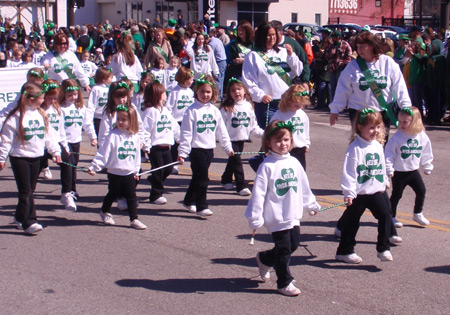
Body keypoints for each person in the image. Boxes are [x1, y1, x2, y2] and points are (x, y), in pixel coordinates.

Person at [245, 120, 320, 296]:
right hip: (276, 215)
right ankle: (283, 281)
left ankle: (264, 259)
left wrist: (310, 204)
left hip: (292, 212)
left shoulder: (294, 162)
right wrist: (255, 217)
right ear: (268, 143)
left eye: (286, 139)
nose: (283, 144)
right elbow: (258, 194)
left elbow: (303, 185)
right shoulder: (267, 166)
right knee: (285, 247)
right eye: (278, 140)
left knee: (293, 244)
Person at [335, 109, 399, 264]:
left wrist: (384, 180)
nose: (375, 131)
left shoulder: (377, 145)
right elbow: (349, 172)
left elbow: (381, 164)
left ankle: (383, 248)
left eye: (378, 127)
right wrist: (349, 192)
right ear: (359, 127)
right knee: (352, 221)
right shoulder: (355, 149)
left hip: (376, 191)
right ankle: (345, 250)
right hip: (359, 193)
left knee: (385, 215)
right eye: (371, 128)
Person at [0, 82, 62, 234]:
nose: (43, 100)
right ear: (30, 99)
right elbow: (6, 140)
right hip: (20, 157)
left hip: (37, 157)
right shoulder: (15, 117)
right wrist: (2, 158)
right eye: (41, 98)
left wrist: (55, 152)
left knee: (30, 190)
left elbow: (49, 136)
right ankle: (30, 221)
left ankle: (19, 216)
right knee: (25, 190)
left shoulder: (41, 114)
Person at [329, 31, 411, 133]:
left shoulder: (387, 63)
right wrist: (335, 109)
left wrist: (406, 106)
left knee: (381, 146)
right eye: (358, 47)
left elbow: (399, 86)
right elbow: (343, 89)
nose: (359, 50)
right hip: (359, 113)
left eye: (363, 46)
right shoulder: (352, 66)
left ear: (372, 46)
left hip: (382, 112)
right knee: (360, 146)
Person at [177, 74, 234, 216]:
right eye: (202, 91)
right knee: (203, 178)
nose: (205, 95)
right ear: (196, 92)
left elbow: (222, 131)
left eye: (208, 92)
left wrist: (228, 147)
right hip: (196, 150)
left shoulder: (215, 111)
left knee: (197, 177)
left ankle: (188, 200)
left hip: (209, 150)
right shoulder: (191, 111)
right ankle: (201, 206)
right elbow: (186, 134)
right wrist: (183, 152)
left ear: (213, 93)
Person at [88, 105, 147, 230]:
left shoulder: (135, 137)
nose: (120, 122)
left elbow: (137, 156)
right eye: (118, 119)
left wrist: (136, 170)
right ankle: (105, 212)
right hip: (115, 171)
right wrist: (95, 166)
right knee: (113, 193)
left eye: (123, 120)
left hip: (129, 172)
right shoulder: (113, 135)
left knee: (131, 196)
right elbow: (103, 152)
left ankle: (134, 219)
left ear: (132, 121)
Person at [242, 21, 303, 130]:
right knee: (273, 136)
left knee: (285, 137)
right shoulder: (253, 56)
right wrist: (260, 95)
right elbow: (249, 81)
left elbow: (297, 71)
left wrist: (291, 56)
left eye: (273, 35)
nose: (271, 38)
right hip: (267, 106)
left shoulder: (283, 52)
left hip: (287, 103)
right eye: (268, 35)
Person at [385, 107, 433, 227]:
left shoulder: (421, 135)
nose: (401, 124)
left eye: (405, 122)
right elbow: (388, 154)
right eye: (400, 121)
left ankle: (418, 213)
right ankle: (392, 216)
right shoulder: (397, 137)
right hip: (399, 172)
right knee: (397, 195)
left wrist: (427, 165)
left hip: (413, 171)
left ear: (415, 121)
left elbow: (426, 151)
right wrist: (389, 169)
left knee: (421, 191)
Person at [219, 78, 264, 196]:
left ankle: (226, 179)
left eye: (239, 89)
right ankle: (240, 186)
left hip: (241, 139)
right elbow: (220, 127)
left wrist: (266, 133)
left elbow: (253, 126)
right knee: (237, 162)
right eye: (233, 91)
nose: (237, 92)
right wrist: (223, 141)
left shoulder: (248, 106)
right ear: (229, 93)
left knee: (233, 160)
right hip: (230, 140)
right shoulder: (226, 108)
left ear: (244, 90)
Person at [39, 80, 77, 210]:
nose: (53, 101)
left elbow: (61, 130)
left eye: (55, 98)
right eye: (50, 98)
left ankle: (66, 193)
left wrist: (64, 146)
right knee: (31, 179)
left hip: (55, 143)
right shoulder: (38, 109)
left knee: (68, 162)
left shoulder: (56, 108)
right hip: (40, 146)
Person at [141, 82, 180, 204]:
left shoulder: (166, 111)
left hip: (166, 146)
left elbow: (174, 127)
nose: (165, 95)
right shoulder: (150, 112)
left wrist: (180, 139)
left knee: (168, 169)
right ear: (156, 95)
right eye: (163, 93)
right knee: (158, 170)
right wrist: (146, 146)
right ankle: (156, 195)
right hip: (155, 147)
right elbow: (145, 130)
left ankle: (153, 179)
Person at [59, 79, 97, 197]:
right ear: (63, 94)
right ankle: (67, 190)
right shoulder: (61, 108)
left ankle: (72, 188)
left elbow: (87, 123)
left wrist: (92, 137)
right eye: (69, 95)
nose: (73, 97)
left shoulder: (80, 108)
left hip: (76, 140)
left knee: (74, 165)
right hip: (64, 141)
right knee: (68, 165)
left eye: (75, 94)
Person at [270, 84, 310, 170]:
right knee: (286, 169)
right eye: (296, 105)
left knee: (300, 170)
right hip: (285, 148)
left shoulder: (302, 114)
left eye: (301, 105)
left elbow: (306, 130)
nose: (298, 107)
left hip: (299, 148)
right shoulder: (280, 114)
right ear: (288, 101)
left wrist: (307, 143)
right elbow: (271, 129)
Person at [165, 67, 195, 172]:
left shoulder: (190, 92)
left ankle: (187, 159)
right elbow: (168, 107)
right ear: (184, 80)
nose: (192, 81)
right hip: (177, 120)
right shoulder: (175, 92)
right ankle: (173, 163)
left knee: (188, 141)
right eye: (190, 79)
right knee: (176, 143)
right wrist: (171, 120)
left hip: (188, 120)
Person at [325, 30, 352, 102]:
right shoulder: (331, 45)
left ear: (338, 38)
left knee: (340, 86)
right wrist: (331, 53)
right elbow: (326, 56)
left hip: (341, 68)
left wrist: (342, 63)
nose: (332, 39)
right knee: (332, 87)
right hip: (332, 68)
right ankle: (334, 102)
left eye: (334, 37)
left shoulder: (345, 44)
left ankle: (342, 103)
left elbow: (349, 57)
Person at [87, 67, 114, 136]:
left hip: (108, 116)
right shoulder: (95, 89)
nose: (112, 79)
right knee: (100, 137)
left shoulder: (109, 89)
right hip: (98, 118)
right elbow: (91, 105)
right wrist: (89, 118)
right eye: (110, 78)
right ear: (104, 79)